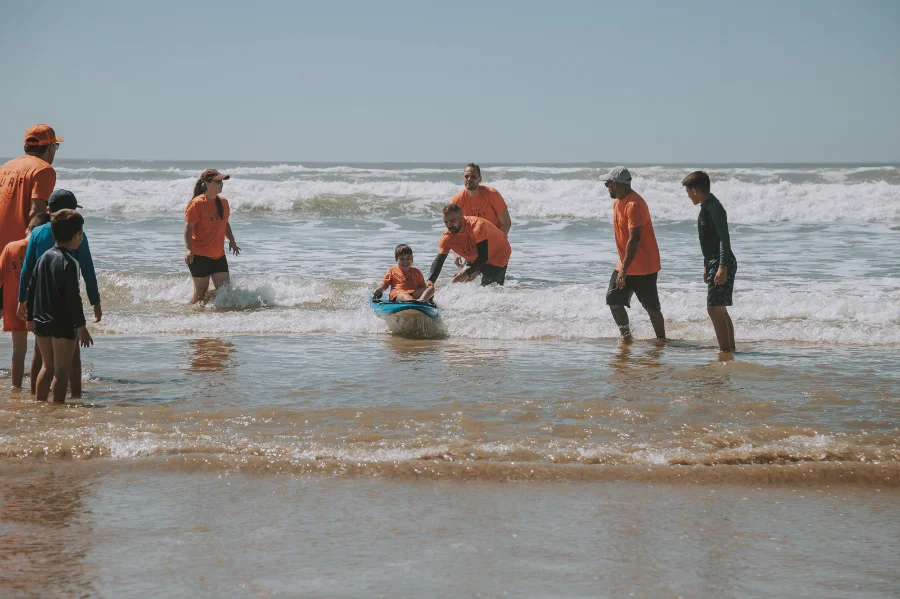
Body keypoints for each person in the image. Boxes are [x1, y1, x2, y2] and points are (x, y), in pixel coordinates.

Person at [16, 189, 102, 397]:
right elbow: (88, 270)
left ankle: (37, 398)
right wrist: (95, 302)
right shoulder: (77, 239)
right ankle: (74, 397)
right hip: (63, 311)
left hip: (40, 306)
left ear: (49, 210)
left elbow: (28, 270)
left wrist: (23, 301)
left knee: (42, 357)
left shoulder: (36, 233)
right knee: (70, 358)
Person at [603, 166, 665, 341]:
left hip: (644, 266)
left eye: (607, 183)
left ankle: (661, 341)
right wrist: (623, 268)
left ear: (614, 184)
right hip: (625, 264)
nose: (607, 187)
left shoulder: (634, 205)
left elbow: (635, 239)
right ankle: (626, 337)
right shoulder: (617, 203)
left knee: (652, 307)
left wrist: (624, 271)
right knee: (613, 300)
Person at [682, 171, 737, 352]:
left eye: (688, 191)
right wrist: (707, 265)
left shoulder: (714, 207)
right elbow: (709, 241)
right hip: (714, 261)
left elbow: (724, 239)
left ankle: (725, 353)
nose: (688, 195)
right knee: (719, 309)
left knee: (714, 309)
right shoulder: (707, 206)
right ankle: (729, 351)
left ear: (695, 190)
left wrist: (722, 266)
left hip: (722, 261)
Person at [0, 213, 50, 389]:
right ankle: (36, 389)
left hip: (13, 305)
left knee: (18, 351)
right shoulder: (44, 249)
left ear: (27, 229)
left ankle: (16, 388)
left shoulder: (10, 247)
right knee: (39, 351)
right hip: (39, 305)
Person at [0, 124, 60, 258]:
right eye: (56, 146)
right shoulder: (44, 170)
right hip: (18, 249)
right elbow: (36, 212)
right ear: (50, 148)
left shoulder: (6, 166)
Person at [184, 169, 241, 303]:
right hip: (199, 255)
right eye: (218, 181)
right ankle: (189, 315)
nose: (221, 184)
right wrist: (188, 249)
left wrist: (232, 240)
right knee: (200, 294)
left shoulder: (223, 202)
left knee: (225, 292)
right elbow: (188, 227)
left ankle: (211, 313)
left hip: (218, 255)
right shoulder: (197, 203)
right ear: (207, 183)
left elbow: (225, 223)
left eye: (222, 181)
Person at [427, 204, 511, 289]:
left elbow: (483, 257)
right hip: (475, 254)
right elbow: (439, 260)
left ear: (461, 217)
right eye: (446, 222)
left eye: (452, 221)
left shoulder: (477, 226)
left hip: (498, 255)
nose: (449, 225)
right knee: (459, 282)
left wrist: (467, 272)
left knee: (489, 289)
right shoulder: (447, 237)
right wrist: (430, 280)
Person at [451, 163, 511, 268]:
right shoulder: (457, 200)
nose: (469, 179)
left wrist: (493, 248)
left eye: (473, 176)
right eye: (466, 176)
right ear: (463, 178)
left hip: (496, 248)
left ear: (480, 179)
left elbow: (506, 223)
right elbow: (454, 228)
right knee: (466, 283)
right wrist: (457, 252)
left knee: (493, 284)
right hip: (473, 248)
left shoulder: (492, 195)